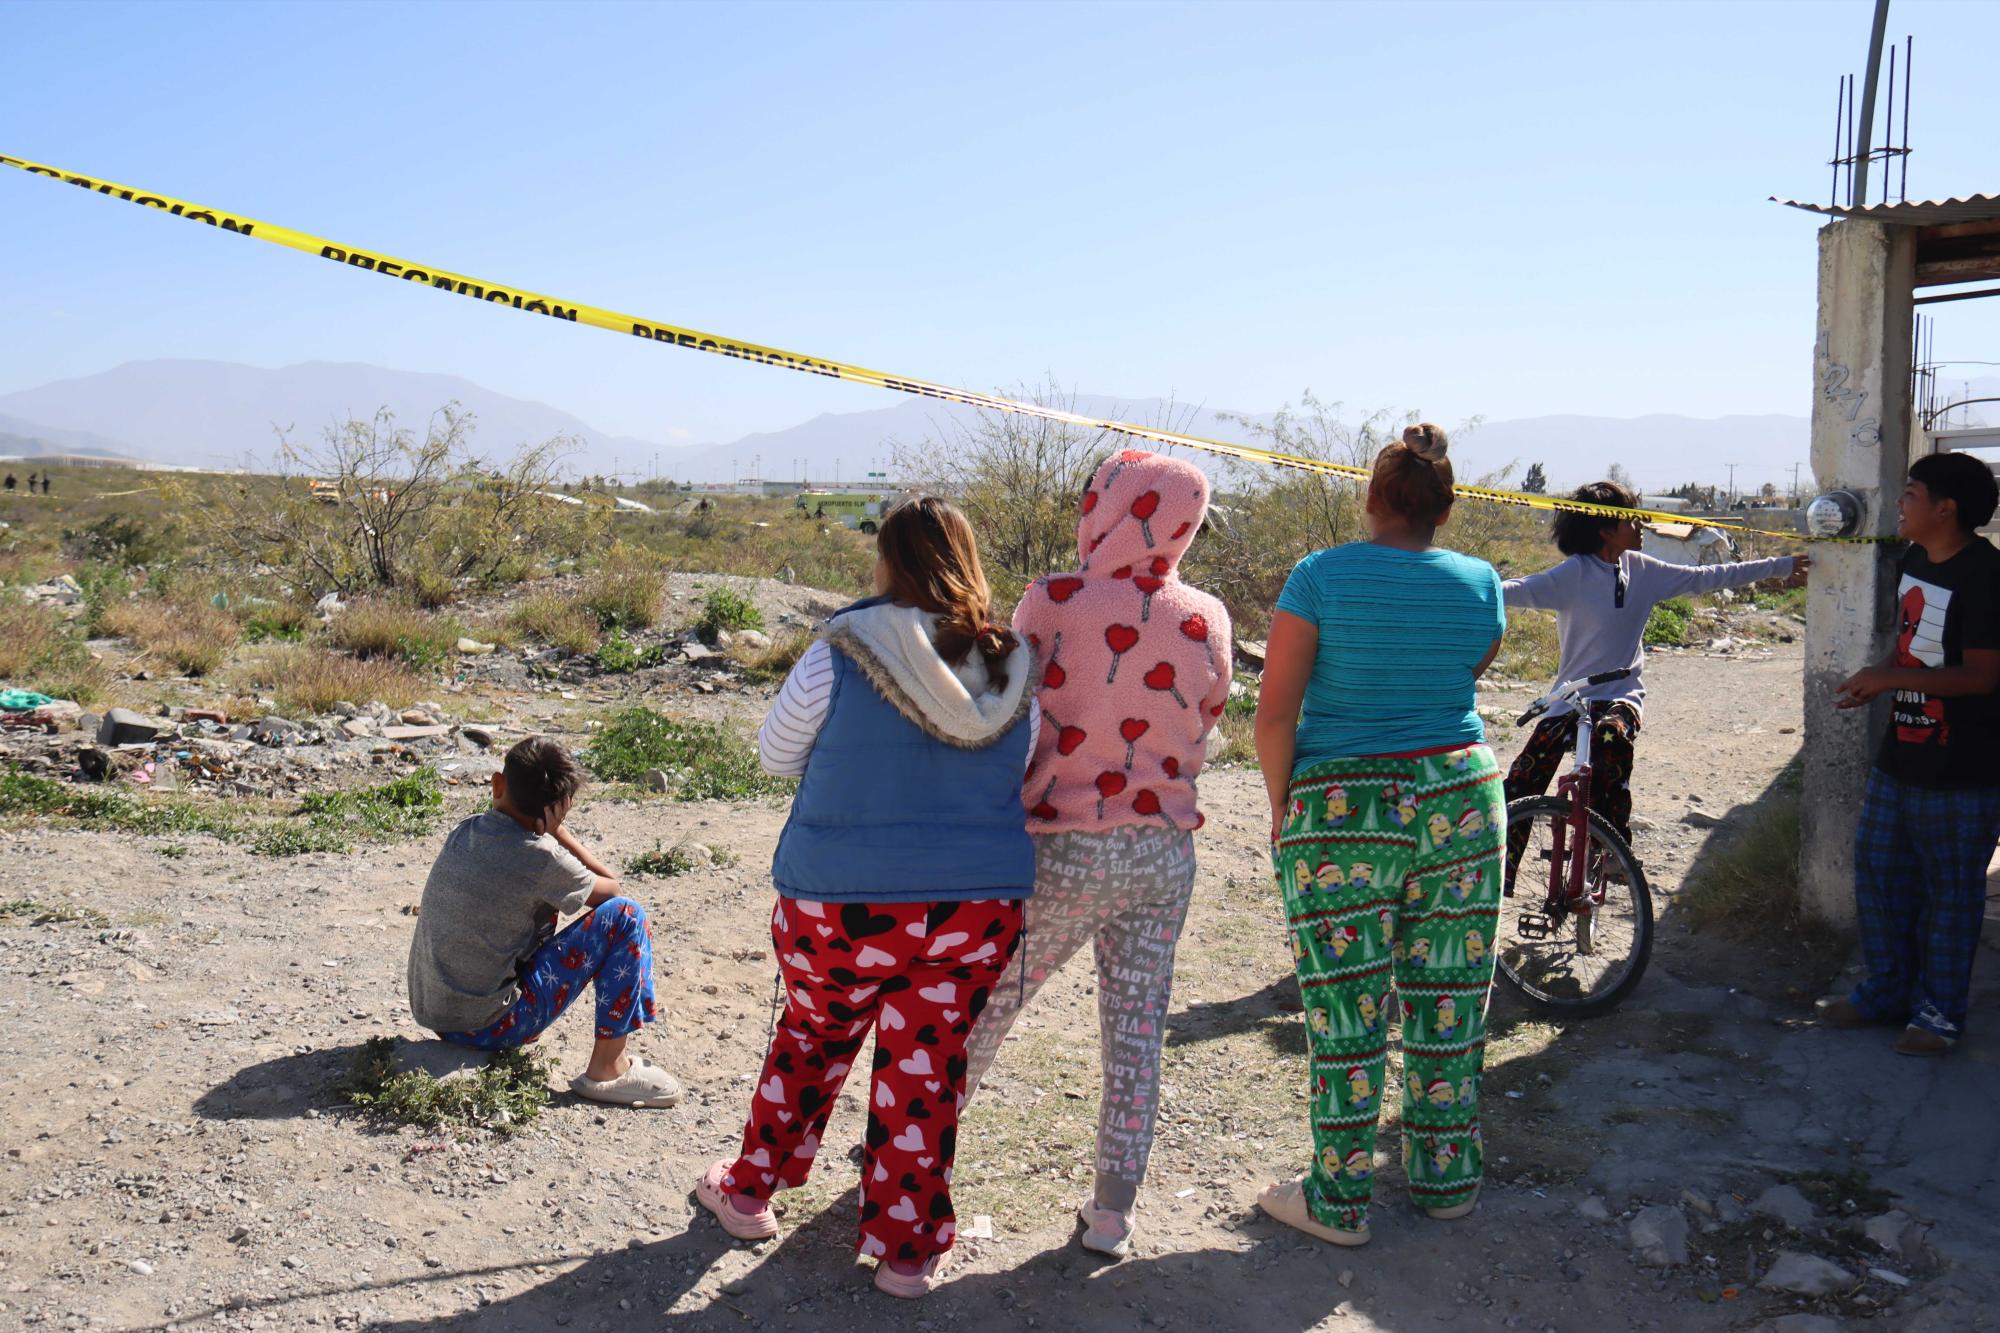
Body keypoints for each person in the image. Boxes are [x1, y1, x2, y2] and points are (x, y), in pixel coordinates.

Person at [696, 496, 1038, 1299]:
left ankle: (749, 1192)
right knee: (928, 1067)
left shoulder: (842, 649)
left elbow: (776, 754)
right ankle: (907, 1251)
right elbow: (1023, 770)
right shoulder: (1013, 663)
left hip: (841, 905)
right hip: (976, 908)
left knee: (813, 1035)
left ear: (889, 562)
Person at [961, 449, 1233, 1259]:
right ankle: (1113, 1213)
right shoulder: (1209, 615)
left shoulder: (1053, 599)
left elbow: (1002, 702)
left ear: (1108, 506)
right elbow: (1210, 715)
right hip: (1164, 853)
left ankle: (906, 1156)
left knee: (989, 1006)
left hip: (1063, 846)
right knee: (1137, 1029)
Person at [1252, 423, 1506, 1245]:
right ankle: (1445, 1183)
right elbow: (1461, 675)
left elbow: (1276, 713)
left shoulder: (1321, 575)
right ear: (1447, 507)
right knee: (1449, 998)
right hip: (1462, 794)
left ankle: (1338, 1200)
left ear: (1372, 498)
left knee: (1346, 1008)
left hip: (1342, 806)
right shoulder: (1480, 582)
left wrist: (1286, 804)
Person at [1499, 480, 1805, 869]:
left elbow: (1708, 577)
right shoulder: (1571, 575)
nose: (1642, 524)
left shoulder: (1642, 569)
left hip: (1621, 696)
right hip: (1570, 698)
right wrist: (1452, 583)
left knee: (1611, 735)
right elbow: (1513, 589)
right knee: (1525, 777)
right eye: (1632, 517)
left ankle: (1608, 848)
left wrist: (1782, 566)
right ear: (1605, 527)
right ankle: (1494, 878)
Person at [1821, 452, 2000, 1055]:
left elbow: (1980, 678)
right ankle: (1886, 994)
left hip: (1965, 770)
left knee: (1951, 894)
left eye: (1912, 492)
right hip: (1901, 757)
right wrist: (1875, 682)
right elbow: (1910, 650)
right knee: (1879, 875)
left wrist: (1890, 679)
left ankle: (1938, 1016)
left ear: (1945, 509)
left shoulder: (1986, 578)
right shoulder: (1916, 560)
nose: (1900, 501)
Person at [405, 736, 680, 1106]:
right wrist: (560, 834)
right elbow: (613, 892)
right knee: (627, 918)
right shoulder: (539, 856)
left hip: (437, 1016)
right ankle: (608, 1068)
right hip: (488, 1026)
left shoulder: (466, 831)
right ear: (559, 808)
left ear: (498, 784)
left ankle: (605, 1064)